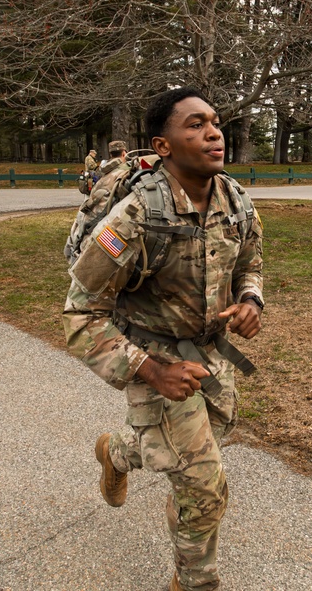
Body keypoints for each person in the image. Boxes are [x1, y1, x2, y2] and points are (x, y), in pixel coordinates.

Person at [63, 87, 264, 591]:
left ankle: (117, 453)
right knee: (205, 487)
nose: (213, 132)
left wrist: (250, 301)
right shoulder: (134, 218)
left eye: (214, 122)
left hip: (210, 358)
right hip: (151, 360)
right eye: (194, 124)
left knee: (193, 458)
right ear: (164, 144)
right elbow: (81, 314)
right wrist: (153, 371)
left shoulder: (236, 201)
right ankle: (195, 582)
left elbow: (251, 265)